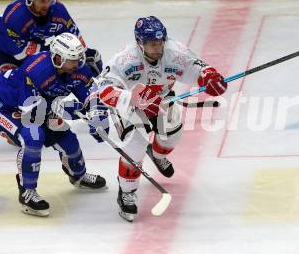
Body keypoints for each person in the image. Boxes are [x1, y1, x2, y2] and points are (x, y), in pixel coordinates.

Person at [92, 16, 227, 222]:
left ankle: (157, 154)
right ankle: (127, 191)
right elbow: (104, 90)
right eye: (151, 44)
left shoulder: (175, 52)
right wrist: (133, 99)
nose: (157, 47)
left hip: (162, 101)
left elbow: (198, 68)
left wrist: (209, 77)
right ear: (139, 42)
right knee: (135, 147)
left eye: (160, 42)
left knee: (172, 134)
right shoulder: (125, 59)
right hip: (129, 105)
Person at [0, 0, 103, 155]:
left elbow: (73, 35)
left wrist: (82, 56)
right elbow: (19, 51)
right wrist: (50, 51)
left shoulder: (59, 11)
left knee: (31, 89)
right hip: (4, 50)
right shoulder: (15, 14)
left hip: (32, 53)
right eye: (41, 0)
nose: (46, 4)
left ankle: (16, 121)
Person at [0, 33, 108, 217]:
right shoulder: (36, 70)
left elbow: (90, 97)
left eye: (78, 58)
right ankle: (28, 192)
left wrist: (97, 116)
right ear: (58, 58)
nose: (77, 64)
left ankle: (79, 176)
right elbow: (34, 111)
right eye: (72, 59)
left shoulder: (76, 69)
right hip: (5, 107)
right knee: (33, 138)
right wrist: (72, 110)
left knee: (68, 141)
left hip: (39, 106)